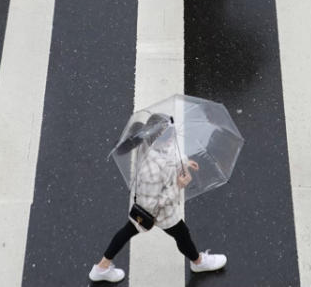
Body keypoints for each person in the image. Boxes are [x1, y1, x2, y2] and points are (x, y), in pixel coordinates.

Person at [89, 115, 227, 283]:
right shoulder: (151, 169)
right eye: (168, 137)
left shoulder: (153, 141)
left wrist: (184, 162)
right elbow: (151, 207)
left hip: (150, 197)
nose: (172, 140)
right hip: (161, 213)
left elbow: (170, 153)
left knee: (128, 231)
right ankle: (198, 262)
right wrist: (178, 186)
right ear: (158, 138)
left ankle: (102, 267)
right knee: (182, 233)